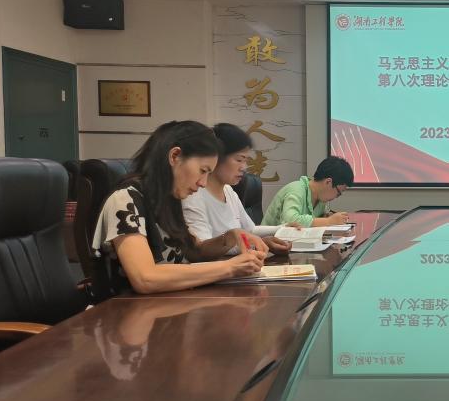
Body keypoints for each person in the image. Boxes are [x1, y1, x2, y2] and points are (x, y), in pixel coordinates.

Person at [91, 120, 266, 296]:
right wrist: (230, 267)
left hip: (174, 302)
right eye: (203, 170)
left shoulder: (168, 199)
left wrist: (229, 238)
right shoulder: (125, 199)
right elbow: (145, 278)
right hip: (130, 308)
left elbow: (195, 251)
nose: (203, 183)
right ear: (175, 156)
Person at [182, 123, 291, 254]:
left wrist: (282, 228)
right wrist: (256, 244)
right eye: (239, 160)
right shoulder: (193, 195)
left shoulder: (228, 190)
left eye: (246, 161)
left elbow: (250, 230)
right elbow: (202, 251)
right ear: (216, 158)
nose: (244, 168)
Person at [262, 155, 354, 227]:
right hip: (268, 243)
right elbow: (290, 220)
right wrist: (328, 221)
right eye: (338, 193)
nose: (336, 197)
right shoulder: (296, 190)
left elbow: (316, 219)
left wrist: (327, 216)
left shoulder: (321, 199)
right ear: (328, 182)